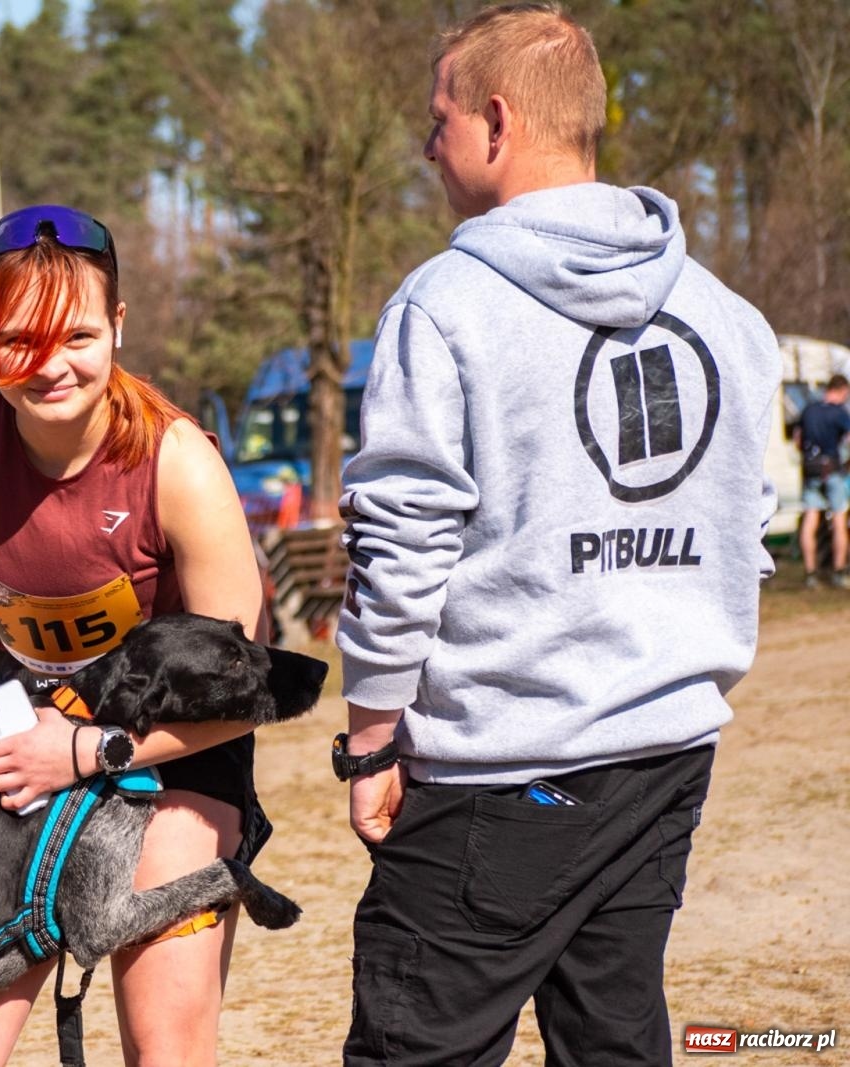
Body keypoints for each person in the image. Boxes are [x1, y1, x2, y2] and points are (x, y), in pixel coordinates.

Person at [333, 5, 781, 1065]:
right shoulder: (728, 315)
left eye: (434, 119)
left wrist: (368, 736)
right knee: (614, 1039)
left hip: (504, 764)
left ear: (494, 122)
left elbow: (403, 542)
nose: (423, 145)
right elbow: (745, 521)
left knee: (416, 1046)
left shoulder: (444, 305)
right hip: (665, 750)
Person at [0, 204, 269, 1067]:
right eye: (20, 339)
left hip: (173, 740)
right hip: (11, 727)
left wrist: (85, 750)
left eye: (77, 334)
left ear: (118, 324)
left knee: (166, 1047)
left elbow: (245, 690)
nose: (51, 365)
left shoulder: (179, 459)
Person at [794, 373, 850, 588]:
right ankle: (838, 571)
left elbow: (798, 440)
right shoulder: (839, 413)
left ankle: (810, 573)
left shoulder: (809, 410)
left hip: (811, 471)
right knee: (838, 520)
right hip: (832, 471)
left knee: (810, 520)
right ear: (843, 390)